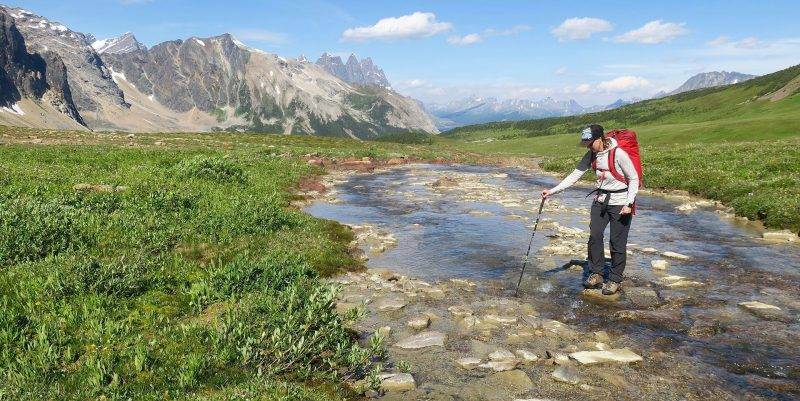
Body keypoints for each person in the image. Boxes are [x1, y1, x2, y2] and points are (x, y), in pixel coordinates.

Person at [541, 124, 639, 295]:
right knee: (595, 235)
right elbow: (575, 175)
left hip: (620, 202)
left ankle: (615, 279)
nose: (588, 146)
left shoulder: (618, 154)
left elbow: (634, 178)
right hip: (600, 200)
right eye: (586, 142)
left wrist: (629, 203)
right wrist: (552, 191)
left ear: (600, 139)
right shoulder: (591, 155)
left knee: (617, 242)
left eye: (590, 142)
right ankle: (596, 273)